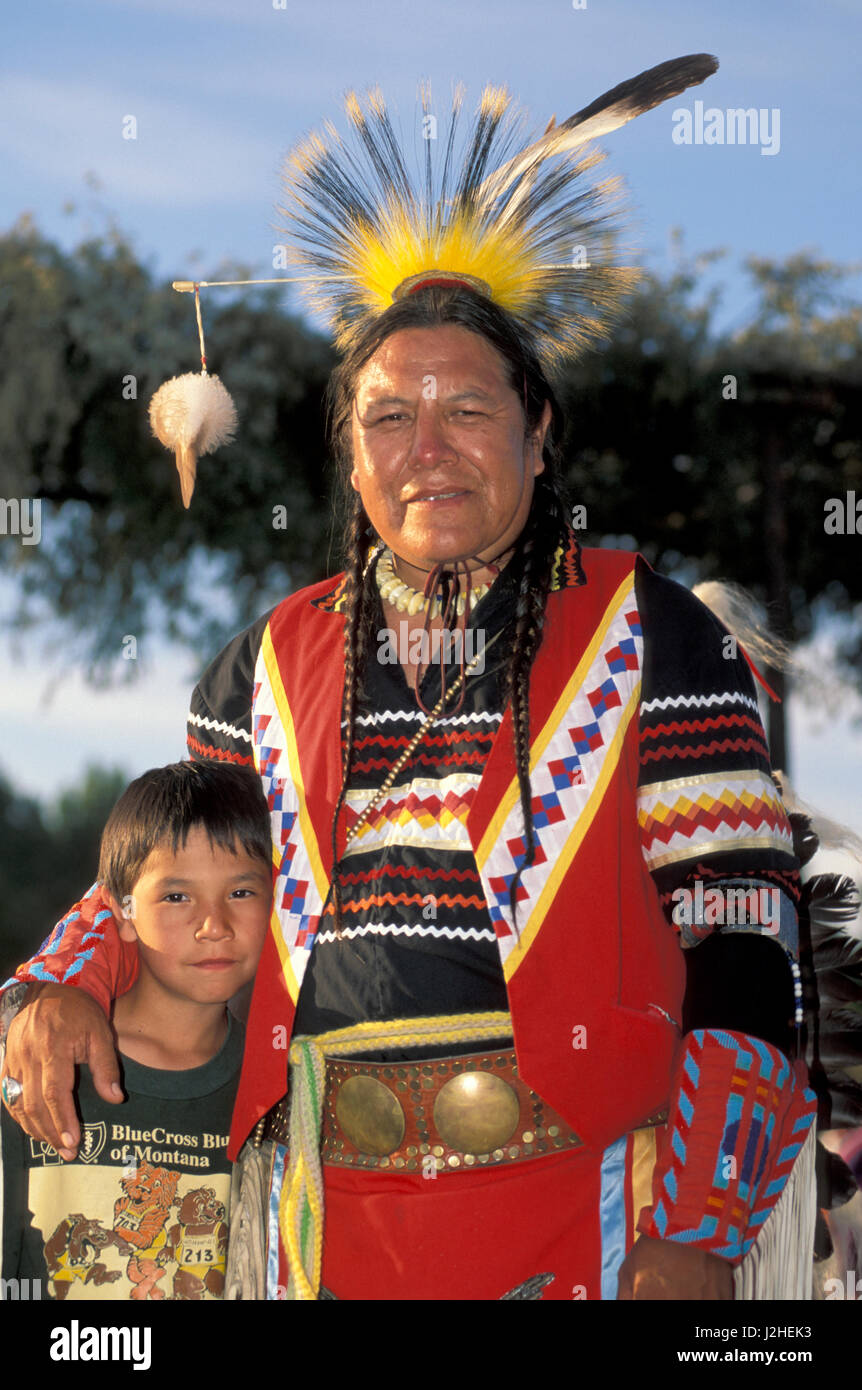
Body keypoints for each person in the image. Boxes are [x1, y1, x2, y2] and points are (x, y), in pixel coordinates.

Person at [0, 70, 818, 1300]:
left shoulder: (647, 633)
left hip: (591, 1216)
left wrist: (699, 1227)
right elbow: (178, 877)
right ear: (350, 450)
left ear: (539, 437)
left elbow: (744, 930)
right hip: (324, 1228)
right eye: (388, 417)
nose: (425, 449)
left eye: (468, 409)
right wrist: (59, 980)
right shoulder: (266, 665)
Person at [0, 761, 271, 1300]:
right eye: (176, 896)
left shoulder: (278, 1094)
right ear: (119, 912)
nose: (213, 924)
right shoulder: (42, 1062)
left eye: (241, 892)